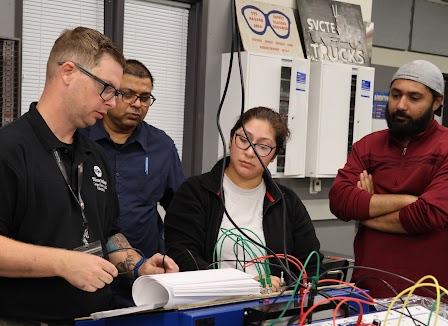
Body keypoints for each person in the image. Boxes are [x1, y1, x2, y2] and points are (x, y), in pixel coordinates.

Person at [0, 27, 178, 326]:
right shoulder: (2, 154)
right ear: (68, 73)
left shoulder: (93, 155)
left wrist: (139, 265)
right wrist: (63, 263)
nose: (111, 102)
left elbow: (108, 233)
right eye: (106, 88)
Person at [164, 107, 322, 290]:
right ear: (231, 139)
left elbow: (311, 265)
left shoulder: (287, 201)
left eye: (263, 147)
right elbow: (182, 255)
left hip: (271, 308)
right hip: (210, 305)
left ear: (274, 155)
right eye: (244, 140)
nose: (249, 152)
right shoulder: (194, 192)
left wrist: (288, 287)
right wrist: (242, 285)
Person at [329, 60, 447, 297]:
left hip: (428, 298)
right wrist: (408, 200)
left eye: (414, 98)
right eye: (396, 95)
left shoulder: (445, 147)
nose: (400, 105)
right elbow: (340, 201)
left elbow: (428, 214)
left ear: (436, 102)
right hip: (367, 291)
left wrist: (366, 209)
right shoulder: (368, 146)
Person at [82, 59, 185, 256]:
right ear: (110, 93)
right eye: (128, 94)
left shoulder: (162, 146)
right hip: (88, 268)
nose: (137, 104)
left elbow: (179, 209)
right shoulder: (81, 139)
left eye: (145, 97)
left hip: (145, 269)